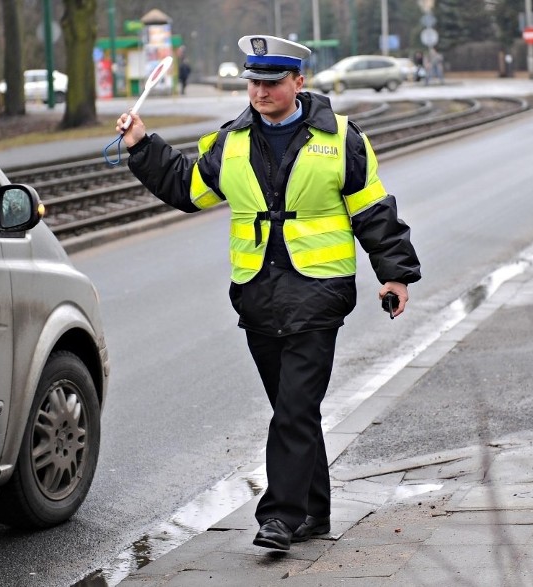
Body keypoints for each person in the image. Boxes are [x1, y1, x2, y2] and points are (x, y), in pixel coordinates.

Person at [115, 35, 421, 551]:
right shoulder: (229, 142)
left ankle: (278, 516)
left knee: (294, 408)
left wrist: (395, 274)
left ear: (298, 83)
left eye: (271, 82)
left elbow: (372, 209)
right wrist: (143, 147)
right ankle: (314, 513)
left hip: (318, 292)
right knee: (293, 407)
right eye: (253, 82)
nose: (259, 92)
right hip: (257, 294)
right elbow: (186, 188)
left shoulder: (341, 138)